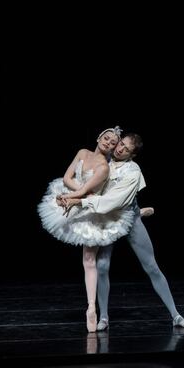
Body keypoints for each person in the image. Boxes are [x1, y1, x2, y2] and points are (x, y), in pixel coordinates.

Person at [61, 132, 184, 329]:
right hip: (107, 217)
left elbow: (113, 201)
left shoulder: (133, 172)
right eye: (121, 144)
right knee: (103, 265)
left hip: (127, 217)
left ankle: (176, 315)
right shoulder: (104, 160)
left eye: (126, 149)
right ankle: (103, 317)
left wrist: (79, 200)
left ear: (132, 155)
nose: (120, 148)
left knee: (151, 266)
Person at [38, 126, 134, 333]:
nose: (108, 143)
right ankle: (92, 306)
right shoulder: (83, 152)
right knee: (89, 261)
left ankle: (91, 308)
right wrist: (69, 195)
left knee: (89, 260)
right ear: (99, 136)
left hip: (92, 211)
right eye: (106, 138)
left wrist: (73, 197)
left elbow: (84, 189)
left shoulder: (103, 167)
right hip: (80, 199)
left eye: (112, 142)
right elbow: (67, 178)